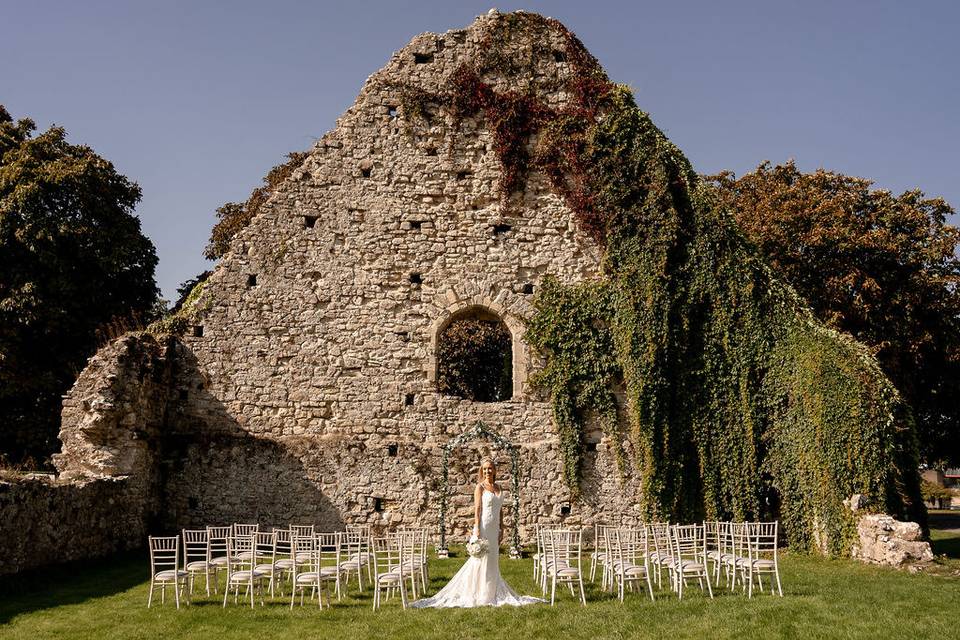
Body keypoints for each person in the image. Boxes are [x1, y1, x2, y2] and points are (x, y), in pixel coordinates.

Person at [411, 457, 542, 608]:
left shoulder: (499, 488)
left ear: (494, 470)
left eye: (490, 468)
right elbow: (478, 509)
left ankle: (490, 591)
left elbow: (500, 511)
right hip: (484, 526)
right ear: (482, 471)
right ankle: (478, 592)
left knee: (492, 558)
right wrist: (477, 528)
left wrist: (502, 529)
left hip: (495, 528)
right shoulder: (480, 487)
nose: (487, 471)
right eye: (485, 469)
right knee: (479, 560)